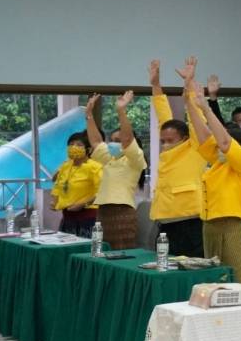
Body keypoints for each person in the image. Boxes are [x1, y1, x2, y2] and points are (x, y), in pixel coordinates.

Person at [182, 64, 241, 283]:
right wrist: (189, 95)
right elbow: (203, 136)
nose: (219, 147)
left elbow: (225, 142)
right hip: (210, 226)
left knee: (240, 283)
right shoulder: (219, 164)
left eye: (223, 144)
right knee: (214, 283)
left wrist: (206, 107)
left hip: (234, 227)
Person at [148, 58, 212, 257]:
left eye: (170, 140)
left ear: (184, 138)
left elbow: (196, 119)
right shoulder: (168, 152)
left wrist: (189, 83)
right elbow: (163, 114)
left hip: (189, 219)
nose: (165, 144)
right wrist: (156, 85)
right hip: (165, 219)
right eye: (163, 141)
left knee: (192, 266)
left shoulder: (195, 147)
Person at [83, 92, 143, 249]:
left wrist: (121, 111)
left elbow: (128, 138)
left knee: (122, 251)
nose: (113, 144)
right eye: (112, 140)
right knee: (101, 250)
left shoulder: (135, 159)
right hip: (103, 211)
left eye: (118, 141)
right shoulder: (109, 158)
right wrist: (88, 114)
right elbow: (96, 141)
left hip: (123, 211)